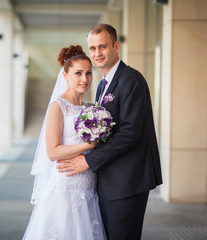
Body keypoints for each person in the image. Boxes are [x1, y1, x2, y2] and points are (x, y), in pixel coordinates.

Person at [57, 24, 163, 240]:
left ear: (116, 46)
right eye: (93, 48)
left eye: (102, 47)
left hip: (128, 180)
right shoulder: (102, 84)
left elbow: (129, 132)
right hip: (108, 179)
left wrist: (88, 161)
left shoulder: (132, 80)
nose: (97, 53)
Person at [22, 45, 107, 240]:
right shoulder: (58, 106)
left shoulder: (91, 108)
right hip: (65, 187)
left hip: (89, 186)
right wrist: (89, 145)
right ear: (65, 75)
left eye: (88, 73)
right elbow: (52, 152)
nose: (84, 79)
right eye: (78, 73)